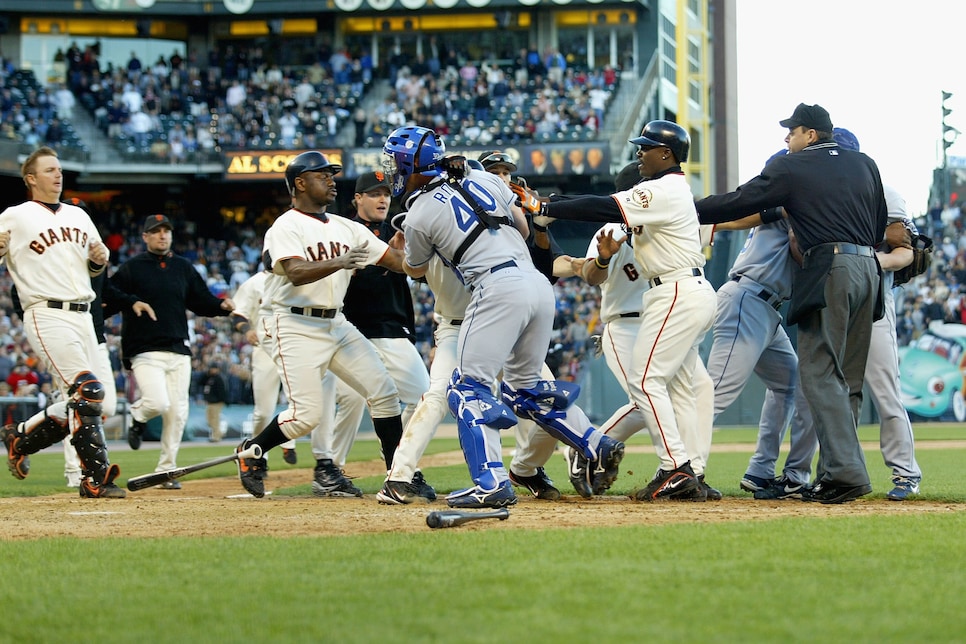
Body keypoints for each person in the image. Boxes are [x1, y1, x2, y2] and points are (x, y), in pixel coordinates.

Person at [383, 125, 624, 508]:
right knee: (525, 389)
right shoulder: (483, 178)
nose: (391, 169)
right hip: (536, 284)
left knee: (466, 389)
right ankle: (597, 443)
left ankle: (490, 483)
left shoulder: (416, 215)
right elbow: (525, 227)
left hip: (496, 290)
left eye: (394, 162)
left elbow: (413, 269)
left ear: (410, 165)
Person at [695, 103, 887, 504]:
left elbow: (740, 201)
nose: (787, 138)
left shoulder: (792, 167)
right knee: (845, 381)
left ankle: (843, 475)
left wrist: (687, 210)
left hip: (828, 267)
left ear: (811, 135)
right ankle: (835, 472)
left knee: (817, 375)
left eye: (793, 131)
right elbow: (877, 221)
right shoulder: (864, 163)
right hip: (869, 268)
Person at [515, 121, 717, 501]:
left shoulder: (662, 190)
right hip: (672, 296)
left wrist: (547, 207)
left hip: (675, 291)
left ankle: (676, 468)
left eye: (647, 147)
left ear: (667, 154)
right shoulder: (668, 197)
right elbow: (594, 263)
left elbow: (604, 205)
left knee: (648, 384)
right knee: (676, 389)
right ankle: (681, 469)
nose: (640, 152)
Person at [234, 151, 408, 499]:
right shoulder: (286, 225)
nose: (331, 180)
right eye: (322, 175)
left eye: (332, 175)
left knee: (385, 393)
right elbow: (296, 271)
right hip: (292, 322)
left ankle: (400, 476)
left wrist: (413, 256)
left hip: (335, 323)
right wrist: (340, 260)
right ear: (300, 183)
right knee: (306, 416)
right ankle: (253, 449)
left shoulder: (348, 228)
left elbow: (397, 263)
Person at [573, 162, 720, 500]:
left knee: (698, 386)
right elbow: (591, 278)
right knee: (647, 397)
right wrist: (603, 260)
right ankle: (586, 447)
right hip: (624, 323)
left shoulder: (669, 219)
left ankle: (692, 473)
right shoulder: (609, 231)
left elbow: (720, 222)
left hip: (667, 317)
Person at [0, 146, 126, 498]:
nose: (58, 174)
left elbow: (93, 266)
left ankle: (21, 437)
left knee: (91, 401)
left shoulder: (79, 216)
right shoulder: (16, 215)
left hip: (84, 316)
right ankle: (94, 478)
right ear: (31, 178)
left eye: (59, 169)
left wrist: (99, 262)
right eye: (50, 170)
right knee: (87, 392)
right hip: (46, 312)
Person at [703, 151, 818, 501]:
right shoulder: (786, 205)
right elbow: (800, 248)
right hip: (748, 298)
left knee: (792, 383)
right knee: (711, 395)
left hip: (767, 308)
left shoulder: (780, 206)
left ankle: (760, 469)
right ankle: (676, 466)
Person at [112, 214, 235, 490]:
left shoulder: (183, 267)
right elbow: (111, 294)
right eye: (155, 232)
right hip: (144, 348)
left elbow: (200, 301)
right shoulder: (132, 268)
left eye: (166, 231)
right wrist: (131, 301)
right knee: (157, 402)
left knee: (177, 413)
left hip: (179, 348)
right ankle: (138, 415)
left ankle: (167, 470)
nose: (162, 235)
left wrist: (220, 306)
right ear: (145, 237)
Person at [832, 127, 922, 501]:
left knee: (886, 394)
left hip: (874, 307)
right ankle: (846, 475)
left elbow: (908, 252)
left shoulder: (885, 193)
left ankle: (906, 474)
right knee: (839, 396)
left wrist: (871, 260)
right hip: (836, 307)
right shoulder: (824, 196)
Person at [331, 170, 433, 498]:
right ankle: (331, 468)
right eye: (374, 193)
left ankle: (401, 464)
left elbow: (420, 272)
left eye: (386, 193)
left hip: (392, 326)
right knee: (349, 400)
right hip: (351, 328)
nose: (382, 199)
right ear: (357, 198)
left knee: (422, 396)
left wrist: (402, 256)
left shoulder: (399, 228)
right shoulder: (343, 231)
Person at [229, 268, 299, 466]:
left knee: (298, 403)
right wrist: (247, 330)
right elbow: (237, 314)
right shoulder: (254, 283)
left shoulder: (298, 276)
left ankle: (289, 443)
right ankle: (258, 453)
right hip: (264, 349)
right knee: (263, 409)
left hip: (293, 347)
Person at [202, 362, 228, 442]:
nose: (212, 370)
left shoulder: (219, 378)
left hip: (217, 402)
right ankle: (220, 433)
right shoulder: (209, 377)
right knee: (209, 420)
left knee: (215, 419)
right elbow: (201, 382)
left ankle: (216, 437)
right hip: (210, 402)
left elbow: (223, 390)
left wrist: (223, 400)